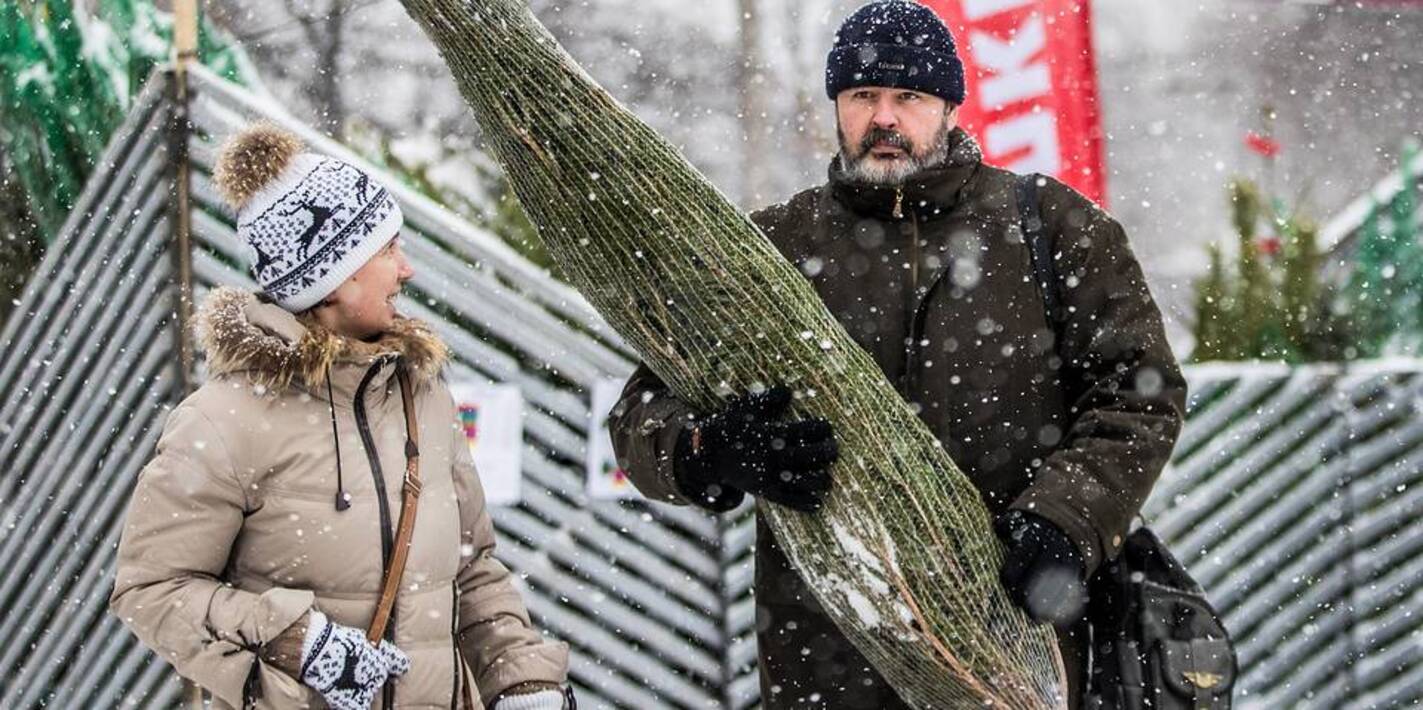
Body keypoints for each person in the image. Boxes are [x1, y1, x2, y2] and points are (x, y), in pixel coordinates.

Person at [609, 1, 1187, 708]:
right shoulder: (770, 250)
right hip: (823, 660)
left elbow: (1138, 392)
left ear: (947, 105)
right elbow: (640, 409)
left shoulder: (1051, 229)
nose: (884, 118)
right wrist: (709, 449)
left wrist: (1064, 518)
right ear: (836, 106)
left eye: (907, 97)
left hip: (1011, 646)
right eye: (862, 96)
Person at [110, 123, 572, 710]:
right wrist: (297, 640)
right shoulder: (222, 422)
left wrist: (521, 681)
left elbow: (470, 568)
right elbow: (151, 591)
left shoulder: (420, 394)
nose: (407, 270)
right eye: (387, 249)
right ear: (331, 280)